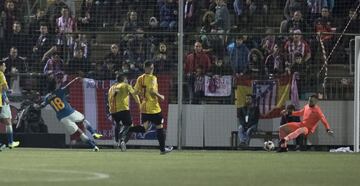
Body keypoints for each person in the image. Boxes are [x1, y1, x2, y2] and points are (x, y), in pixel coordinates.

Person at [38, 77, 102, 151]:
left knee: (79, 133)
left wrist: (38, 106)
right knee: (83, 120)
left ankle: (94, 147)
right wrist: (75, 80)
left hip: (62, 118)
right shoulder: (60, 91)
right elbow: (68, 86)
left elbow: (42, 105)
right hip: (70, 112)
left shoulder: (47, 97)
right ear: (55, 85)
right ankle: (93, 133)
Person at [134, 61, 173, 155]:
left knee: (144, 128)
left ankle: (128, 129)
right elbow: (152, 91)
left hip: (144, 107)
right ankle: (162, 149)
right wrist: (161, 96)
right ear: (146, 68)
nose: (152, 70)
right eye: (151, 68)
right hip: (154, 107)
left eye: (153, 68)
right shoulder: (153, 78)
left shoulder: (140, 78)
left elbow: (135, 91)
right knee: (160, 126)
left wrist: (142, 95)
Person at [108, 73, 141, 151]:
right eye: (126, 79)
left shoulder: (111, 88)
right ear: (124, 80)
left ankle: (117, 142)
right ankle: (122, 141)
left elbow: (110, 98)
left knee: (118, 124)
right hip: (123, 109)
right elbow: (134, 94)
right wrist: (139, 103)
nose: (127, 80)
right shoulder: (126, 85)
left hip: (113, 111)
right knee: (130, 126)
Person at [0, 61, 20, 149]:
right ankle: (10, 142)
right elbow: (5, 87)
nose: (5, 67)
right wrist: (4, 96)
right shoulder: (1, 74)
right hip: (2, 101)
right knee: (8, 121)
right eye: (4, 65)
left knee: (7, 121)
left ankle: (8, 143)